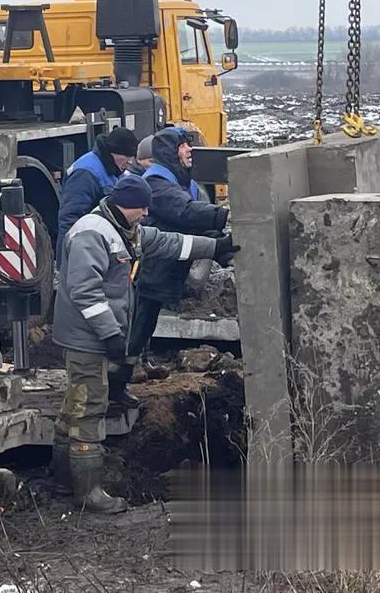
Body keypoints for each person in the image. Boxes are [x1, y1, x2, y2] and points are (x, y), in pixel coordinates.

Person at [51, 177, 239, 514]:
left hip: (94, 334)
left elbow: (169, 243)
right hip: (87, 338)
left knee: (76, 406)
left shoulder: (122, 227)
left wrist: (215, 248)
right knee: (89, 406)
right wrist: (109, 334)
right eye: (142, 207)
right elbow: (84, 291)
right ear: (127, 204)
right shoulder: (93, 233)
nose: (146, 213)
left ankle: (65, 482)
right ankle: (87, 491)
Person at [122, 127, 230, 402]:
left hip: (166, 266)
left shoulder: (178, 181)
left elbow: (182, 225)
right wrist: (222, 217)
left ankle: (136, 363)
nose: (189, 150)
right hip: (153, 266)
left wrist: (218, 243)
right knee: (140, 318)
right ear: (171, 152)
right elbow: (183, 213)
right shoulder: (158, 183)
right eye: (183, 145)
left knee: (148, 317)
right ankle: (123, 374)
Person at [55, 127, 139, 266]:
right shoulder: (86, 173)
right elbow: (69, 219)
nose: (130, 162)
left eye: (132, 157)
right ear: (113, 152)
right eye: (127, 156)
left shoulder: (114, 169)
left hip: (100, 247)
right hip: (85, 251)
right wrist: (70, 262)